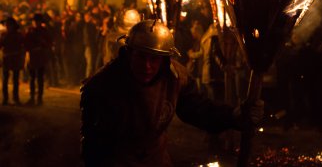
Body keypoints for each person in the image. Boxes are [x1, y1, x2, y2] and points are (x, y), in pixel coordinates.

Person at [80, 19, 264, 167]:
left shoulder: (176, 78)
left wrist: (233, 116)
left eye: (154, 59)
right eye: (141, 57)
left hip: (156, 159)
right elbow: (94, 144)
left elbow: (199, 110)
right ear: (129, 53)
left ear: (165, 59)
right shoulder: (102, 86)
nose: (147, 66)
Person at [25, 13, 52, 105]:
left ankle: (39, 98)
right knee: (32, 78)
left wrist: (43, 44)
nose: (35, 23)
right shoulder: (30, 31)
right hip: (33, 56)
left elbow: (49, 43)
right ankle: (32, 98)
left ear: (40, 22)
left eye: (37, 21)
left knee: (40, 78)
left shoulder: (45, 31)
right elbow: (26, 43)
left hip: (41, 56)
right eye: (34, 21)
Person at [0, 17, 25, 105]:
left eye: (8, 25)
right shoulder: (5, 35)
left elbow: (23, 45)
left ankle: (14, 98)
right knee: (6, 79)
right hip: (8, 58)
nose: (6, 26)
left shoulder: (16, 35)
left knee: (14, 79)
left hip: (14, 58)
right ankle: (6, 98)